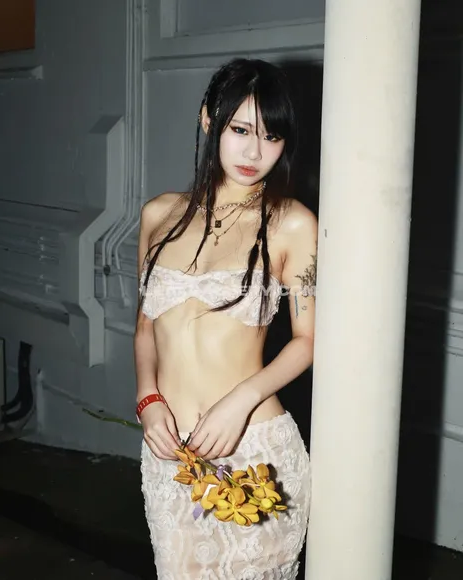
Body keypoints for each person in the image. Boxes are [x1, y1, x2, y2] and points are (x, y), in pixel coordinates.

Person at [135, 58, 317, 580]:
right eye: (240, 130)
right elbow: (146, 328)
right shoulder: (158, 215)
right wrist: (147, 400)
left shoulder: (291, 224)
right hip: (171, 455)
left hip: (255, 448)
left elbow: (308, 340)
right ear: (208, 120)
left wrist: (240, 402)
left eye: (271, 136)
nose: (255, 153)